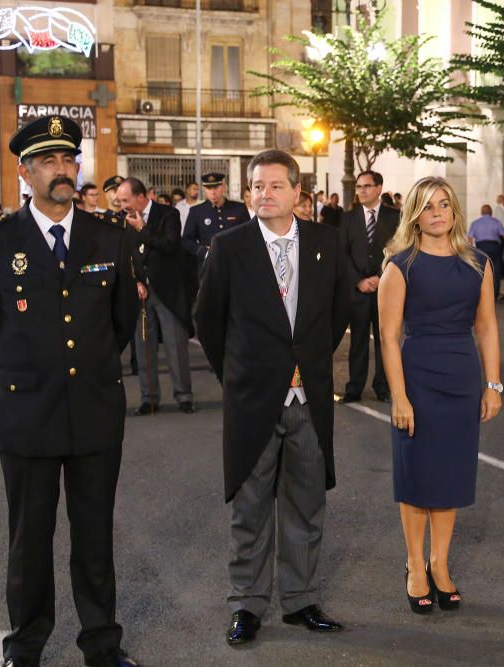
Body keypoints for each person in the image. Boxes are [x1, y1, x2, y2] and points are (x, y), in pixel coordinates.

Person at [0, 115, 140, 667]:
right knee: (29, 539)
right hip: (28, 413)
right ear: (24, 172)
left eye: (68, 160)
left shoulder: (108, 237)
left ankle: (101, 644)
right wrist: (28, 375)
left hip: (93, 411)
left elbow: (121, 323)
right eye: (48, 162)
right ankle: (26, 644)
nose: (61, 171)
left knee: (94, 538)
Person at [195, 149, 350, 647]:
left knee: (306, 503)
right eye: (257, 186)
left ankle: (300, 599)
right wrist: (237, 374)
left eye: (275, 185)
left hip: (309, 397)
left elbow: (338, 311)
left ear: (297, 193)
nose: (265, 194)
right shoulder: (229, 246)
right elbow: (207, 320)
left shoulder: (326, 242)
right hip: (254, 399)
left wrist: (307, 360)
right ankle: (246, 604)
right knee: (251, 506)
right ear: (248, 193)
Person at [378, 176, 501, 614]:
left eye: (445, 204)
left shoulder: (478, 263)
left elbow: (486, 327)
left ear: (455, 211)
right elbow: (389, 337)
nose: (437, 212)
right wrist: (399, 396)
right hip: (417, 378)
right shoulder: (400, 265)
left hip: (462, 379)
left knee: (449, 476)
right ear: (415, 212)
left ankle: (440, 564)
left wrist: (493, 384)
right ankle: (414, 565)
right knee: (417, 477)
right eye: (428, 205)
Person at [116, 176, 195, 416]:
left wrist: (143, 229)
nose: (122, 206)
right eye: (119, 201)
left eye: (126, 200)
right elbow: (126, 255)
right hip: (140, 292)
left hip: (167, 291)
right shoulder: (123, 220)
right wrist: (136, 281)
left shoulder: (168, 214)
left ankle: (184, 396)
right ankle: (148, 398)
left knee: (175, 345)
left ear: (142, 197)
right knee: (143, 347)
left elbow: (170, 245)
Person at [339, 170, 401, 404]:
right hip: (358, 290)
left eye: (366, 186)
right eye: (358, 187)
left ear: (378, 188)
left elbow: (399, 250)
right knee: (358, 341)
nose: (361, 191)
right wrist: (359, 280)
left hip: (387, 290)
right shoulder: (348, 218)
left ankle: (383, 388)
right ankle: (354, 388)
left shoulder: (395, 217)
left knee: (387, 339)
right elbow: (342, 254)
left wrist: (380, 278)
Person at [181, 172, 251, 272]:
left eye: (216, 187)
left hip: (235, 265)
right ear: (204, 189)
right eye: (209, 188)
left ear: (223, 187)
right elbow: (186, 240)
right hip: (208, 266)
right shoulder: (196, 211)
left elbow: (248, 235)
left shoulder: (239, 208)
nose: (213, 192)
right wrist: (203, 251)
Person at [467, 204, 504, 296]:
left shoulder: (475, 223)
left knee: (481, 270)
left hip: (481, 247)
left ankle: (482, 294)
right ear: (491, 213)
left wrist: (471, 251)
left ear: (481, 212)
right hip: (495, 247)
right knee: (496, 269)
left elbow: (469, 238)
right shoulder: (496, 222)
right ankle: (495, 294)